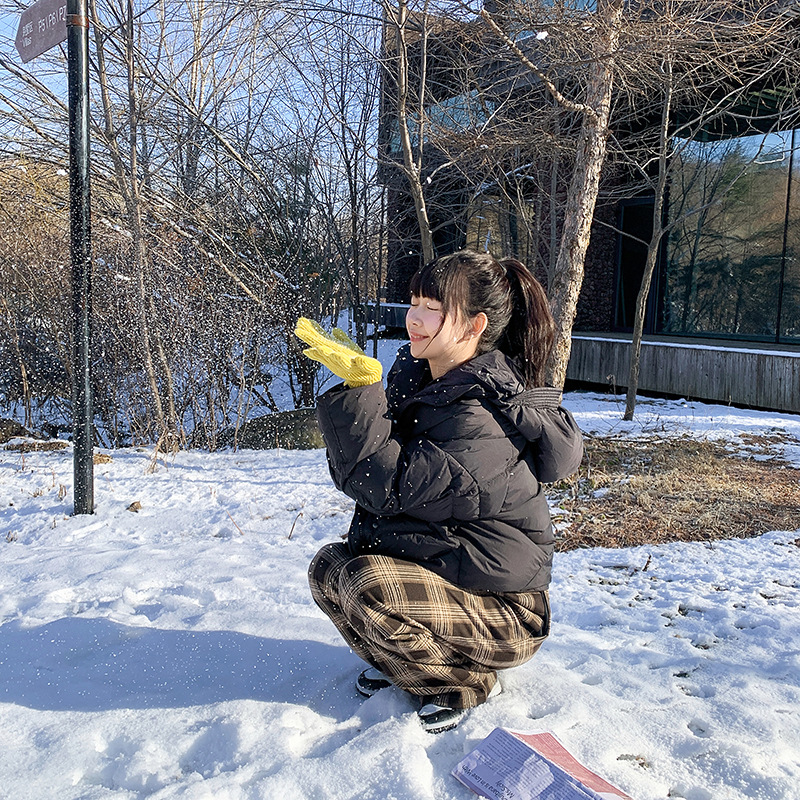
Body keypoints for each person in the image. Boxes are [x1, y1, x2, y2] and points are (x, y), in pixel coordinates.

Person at [294, 249, 584, 734]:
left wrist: (359, 393)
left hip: (507, 613)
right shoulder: (425, 382)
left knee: (366, 585)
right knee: (329, 569)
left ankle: (464, 681)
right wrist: (363, 391)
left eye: (433, 308)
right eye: (414, 302)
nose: (415, 318)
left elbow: (385, 486)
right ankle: (406, 666)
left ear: (474, 326)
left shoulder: (480, 418)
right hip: (456, 584)